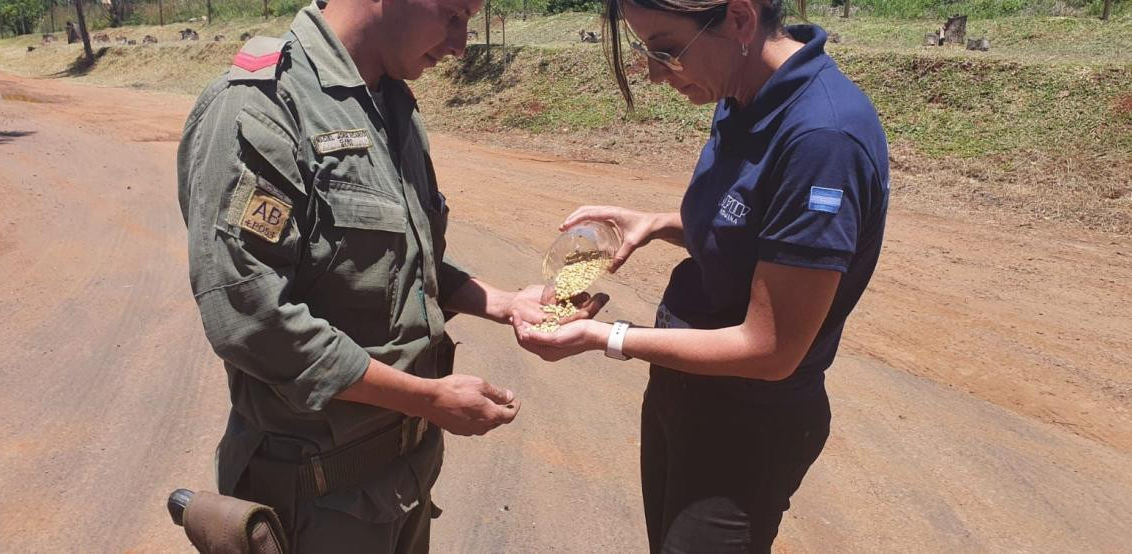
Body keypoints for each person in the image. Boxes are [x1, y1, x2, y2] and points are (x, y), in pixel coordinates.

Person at [175, 0, 604, 551]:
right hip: (316, 500)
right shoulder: (262, 107)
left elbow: (390, 259)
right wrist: (425, 397)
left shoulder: (389, 100)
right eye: (453, 15)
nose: (460, 44)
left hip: (401, 482)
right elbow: (249, 317)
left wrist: (503, 302)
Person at [512, 0, 890, 551]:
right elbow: (749, 233)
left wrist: (605, 336)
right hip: (684, 392)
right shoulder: (741, 94)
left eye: (666, 50)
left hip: (745, 425)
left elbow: (771, 349)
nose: (652, 71)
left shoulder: (823, 139)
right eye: (644, 50)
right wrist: (659, 223)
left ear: (739, 19)